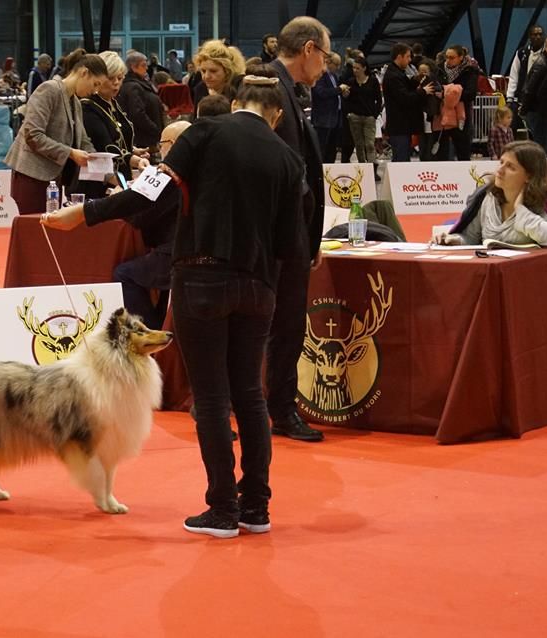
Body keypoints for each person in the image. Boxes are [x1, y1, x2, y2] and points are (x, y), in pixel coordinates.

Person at [162, 73, 304, 537]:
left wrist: (87, 214)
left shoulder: (205, 130)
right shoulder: (287, 157)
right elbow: (290, 244)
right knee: (249, 396)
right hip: (258, 287)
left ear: (235, 101)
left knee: (212, 398)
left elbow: (152, 188)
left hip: (201, 278)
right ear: (277, 114)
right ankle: (256, 507)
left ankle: (222, 508)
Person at [41, 121, 190, 329]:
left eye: (162, 143)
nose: (160, 148)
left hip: (177, 254)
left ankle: (149, 330)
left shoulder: (168, 174)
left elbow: (140, 216)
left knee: (124, 273)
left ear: (173, 144)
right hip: (189, 250)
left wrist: (121, 201)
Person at [267, 17, 332, 442]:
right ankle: (279, 409)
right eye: (324, 56)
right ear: (308, 49)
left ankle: (274, 407)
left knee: (282, 325)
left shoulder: (285, 89)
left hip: (287, 231)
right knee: (282, 325)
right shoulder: (269, 87)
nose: (326, 66)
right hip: (276, 233)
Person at [4, 49, 106, 213]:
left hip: (53, 179)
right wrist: (71, 153)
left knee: (48, 232)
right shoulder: (49, 89)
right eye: (95, 84)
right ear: (84, 73)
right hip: (32, 176)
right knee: (34, 232)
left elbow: (84, 142)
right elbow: (33, 135)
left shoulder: (76, 102)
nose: (95, 91)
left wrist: (106, 169)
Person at [434, 141, 547, 248]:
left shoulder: (541, 203)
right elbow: (470, 237)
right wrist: (454, 240)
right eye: (501, 162)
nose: (500, 170)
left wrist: (521, 211)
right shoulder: (488, 198)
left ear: (529, 176)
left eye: (510, 167)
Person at [80, 51, 148, 199]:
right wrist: (135, 160)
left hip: (120, 177)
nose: (116, 83)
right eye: (111, 78)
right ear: (98, 78)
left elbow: (118, 136)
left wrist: (133, 150)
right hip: (97, 183)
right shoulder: (88, 107)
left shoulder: (113, 103)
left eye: (120, 78)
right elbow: (104, 145)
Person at [383, 42, 432, 162]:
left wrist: (416, 80)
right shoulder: (393, 76)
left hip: (402, 126)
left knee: (403, 158)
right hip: (399, 126)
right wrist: (423, 91)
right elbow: (405, 98)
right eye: (408, 57)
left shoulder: (398, 72)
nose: (410, 60)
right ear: (399, 57)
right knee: (401, 159)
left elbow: (406, 87)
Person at [118, 51, 165, 152]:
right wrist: (154, 129)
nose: (147, 68)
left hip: (146, 137)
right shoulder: (133, 86)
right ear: (133, 67)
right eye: (143, 65)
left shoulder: (139, 83)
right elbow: (137, 114)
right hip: (143, 139)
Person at [438, 45, 479, 161]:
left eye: (452, 57)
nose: (448, 60)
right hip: (443, 116)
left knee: (463, 150)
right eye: (447, 57)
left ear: (461, 57)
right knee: (442, 151)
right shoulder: (440, 69)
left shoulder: (470, 71)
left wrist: (449, 94)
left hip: (462, 117)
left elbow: (470, 94)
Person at [344, 56, 382, 166]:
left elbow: (378, 98)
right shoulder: (351, 82)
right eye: (354, 68)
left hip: (369, 116)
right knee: (359, 144)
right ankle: (362, 166)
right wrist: (349, 113)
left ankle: (372, 166)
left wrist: (375, 113)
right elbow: (347, 99)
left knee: (369, 144)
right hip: (355, 116)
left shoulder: (373, 81)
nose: (355, 70)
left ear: (364, 68)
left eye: (357, 68)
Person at [191, 39, 246, 112]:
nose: (206, 76)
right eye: (203, 71)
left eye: (213, 71)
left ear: (228, 71)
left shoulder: (240, 89)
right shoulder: (200, 89)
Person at [312, 52, 346, 163]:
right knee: (322, 148)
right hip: (323, 119)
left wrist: (342, 93)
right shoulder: (320, 75)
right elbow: (320, 92)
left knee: (332, 149)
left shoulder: (334, 76)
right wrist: (338, 90)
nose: (338, 67)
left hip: (335, 118)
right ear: (328, 62)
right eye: (336, 64)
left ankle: (330, 170)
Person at [506, 25, 546, 114]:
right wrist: (509, 97)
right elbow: (514, 76)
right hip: (522, 98)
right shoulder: (521, 53)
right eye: (534, 35)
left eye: (540, 34)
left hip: (541, 99)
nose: (538, 37)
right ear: (529, 37)